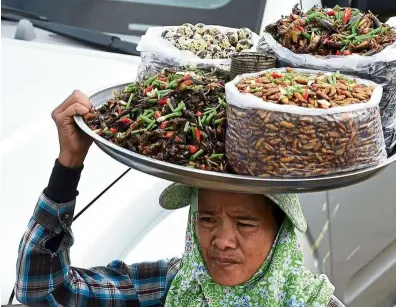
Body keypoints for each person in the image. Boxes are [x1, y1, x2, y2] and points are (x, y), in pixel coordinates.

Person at [15, 91, 343, 306]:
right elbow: (45, 294)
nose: (222, 241)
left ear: (279, 235)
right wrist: (68, 167)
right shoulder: (175, 286)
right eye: (207, 219)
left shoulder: (312, 302)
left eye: (245, 224)